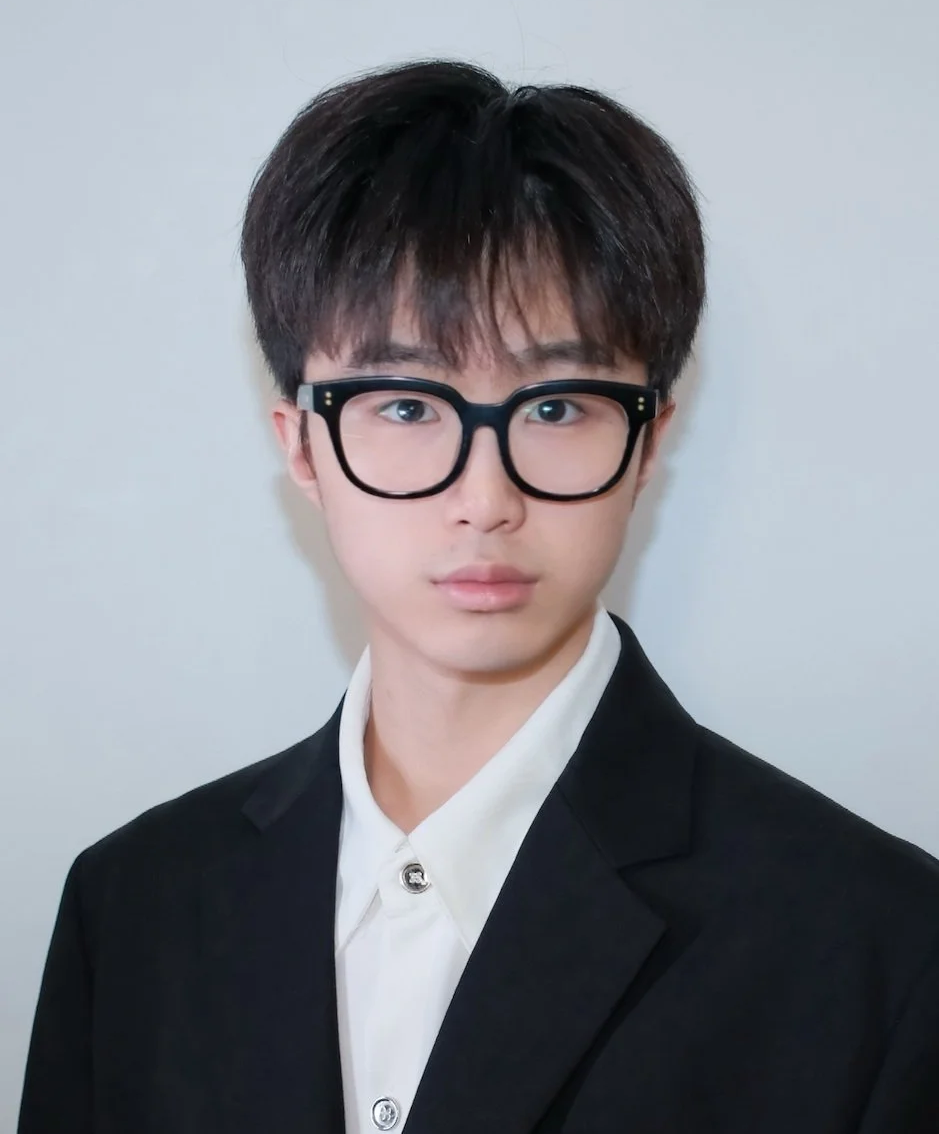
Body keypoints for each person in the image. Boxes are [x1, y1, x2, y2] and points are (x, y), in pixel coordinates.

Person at [18, 58, 939, 1134]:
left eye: (556, 407)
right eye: (408, 405)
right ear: (303, 446)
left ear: (649, 442)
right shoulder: (135, 907)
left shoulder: (878, 943)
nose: (485, 499)